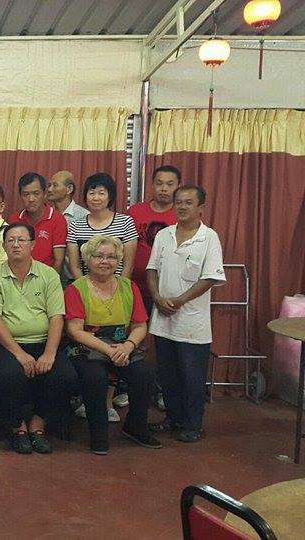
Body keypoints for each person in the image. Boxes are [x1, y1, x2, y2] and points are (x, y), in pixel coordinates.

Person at [0, 223, 77, 455]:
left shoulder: (49, 275)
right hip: (8, 345)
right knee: (9, 374)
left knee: (65, 375)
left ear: (32, 244)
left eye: (21, 240)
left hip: (44, 342)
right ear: (4, 246)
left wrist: (50, 353)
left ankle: (38, 424)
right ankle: (18, 427)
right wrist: (19, 354)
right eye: (10, 240)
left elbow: (56, 317)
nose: (16, 245)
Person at [64, 235, 162, 455]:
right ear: (87, 259)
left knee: (145, 373)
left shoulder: (129, 286)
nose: (105, 261)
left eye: (111, 257)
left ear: (118, 260)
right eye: (98, 256)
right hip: (87, 348)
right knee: (95, 377)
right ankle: (98, 433)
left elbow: (140, 325)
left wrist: (128, 346)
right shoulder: (76, 289)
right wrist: (109, 350)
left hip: (123, 347)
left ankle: (135, 426)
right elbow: (74, 331)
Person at [147, 185, 226, 443]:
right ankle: (173, 418)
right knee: (167, 374)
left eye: (188, 202)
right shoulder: (164, 235)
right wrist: (157, 297)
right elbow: (151, 270)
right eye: (178, 202)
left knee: (192, 376)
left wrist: (181, 300)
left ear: (201, 208)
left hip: (192, 321)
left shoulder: (209, 238)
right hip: (163, 317)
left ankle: (193, 425)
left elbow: (210, 277)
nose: (181, 207)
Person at [66, 173, 138, 279]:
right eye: (91, 193)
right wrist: (85, 287)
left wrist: (119, 286)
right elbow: (75, 267)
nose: (96, 198)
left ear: (110, 196)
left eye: (101, 193)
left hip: (118, 284)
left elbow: (128, 265)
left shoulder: (125, 222)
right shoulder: (75, 226)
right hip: (86, 285)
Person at [128, 165, 180, 309]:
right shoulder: (134, 212)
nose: (164, 188)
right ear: (152, 185)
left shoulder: (181, 215)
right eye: (159, 183)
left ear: (178, 187)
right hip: (134, 287)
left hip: (168, 290)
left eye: (170, 184)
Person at [9, 172, 67, 273]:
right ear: (20, 196)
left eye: (36, 193)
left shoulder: (57, 219)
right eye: (26, 194)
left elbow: (59, 262)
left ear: (45, 193)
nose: (31, 199)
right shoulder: (15, 219)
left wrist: (47, 281)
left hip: (47, 278)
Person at [46, 170, 90, 283]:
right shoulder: (46, 215)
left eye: (55, 185)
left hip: (76, 279)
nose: (49, 189)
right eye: (49, 185)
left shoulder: (83, 216)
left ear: (69, 189)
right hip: (49, 278)